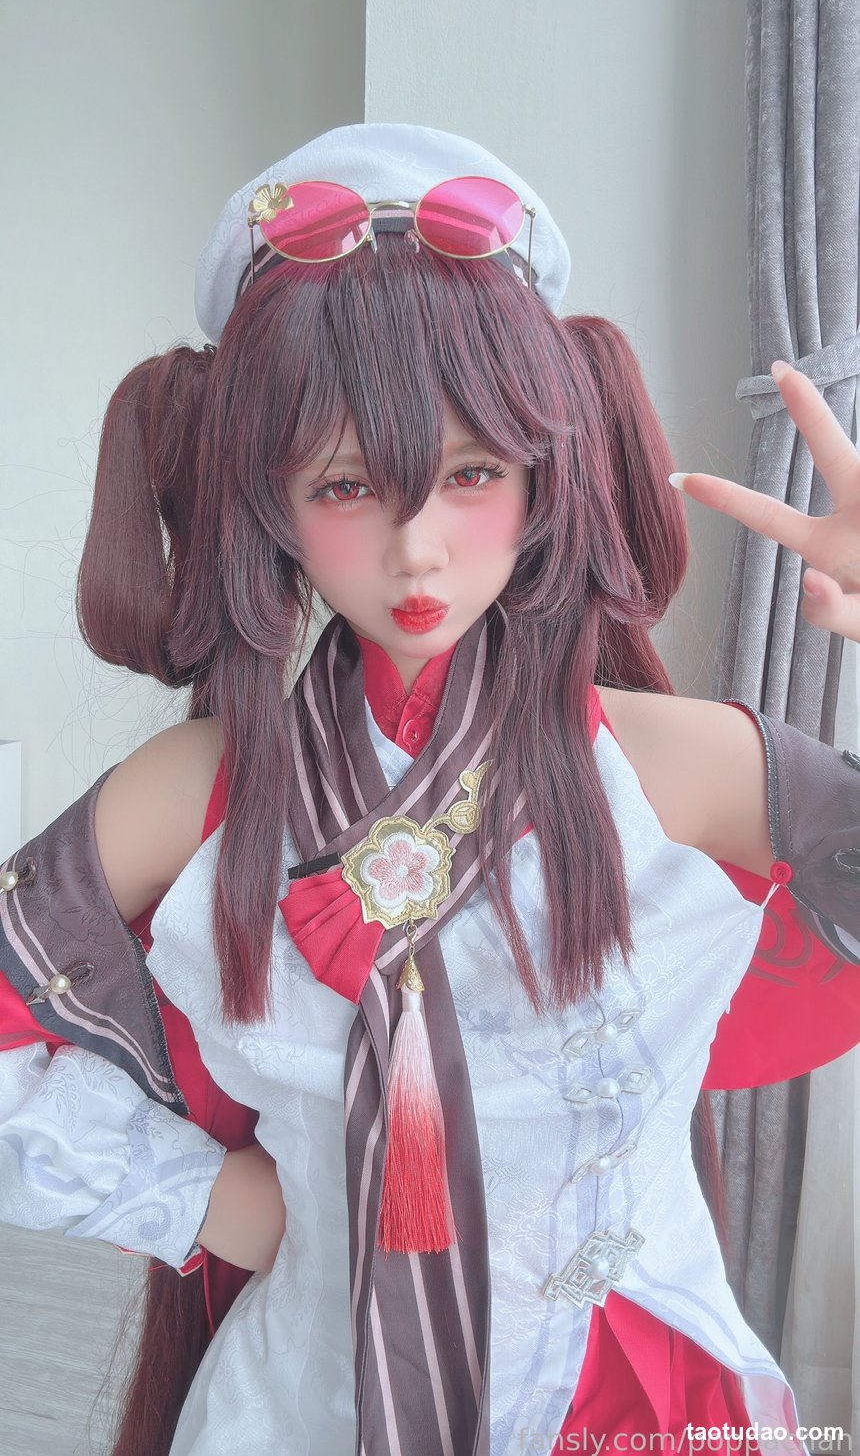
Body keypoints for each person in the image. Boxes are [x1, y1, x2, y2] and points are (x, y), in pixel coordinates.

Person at [1, 121, 859, 1456]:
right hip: (306, 1401)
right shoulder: (199, 792)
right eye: (347, 483)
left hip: (637, 1394)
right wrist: (209, 1199)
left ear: (544, 474)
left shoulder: (677, 766)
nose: (417, 549)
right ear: (270, 505)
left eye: (471, 474)